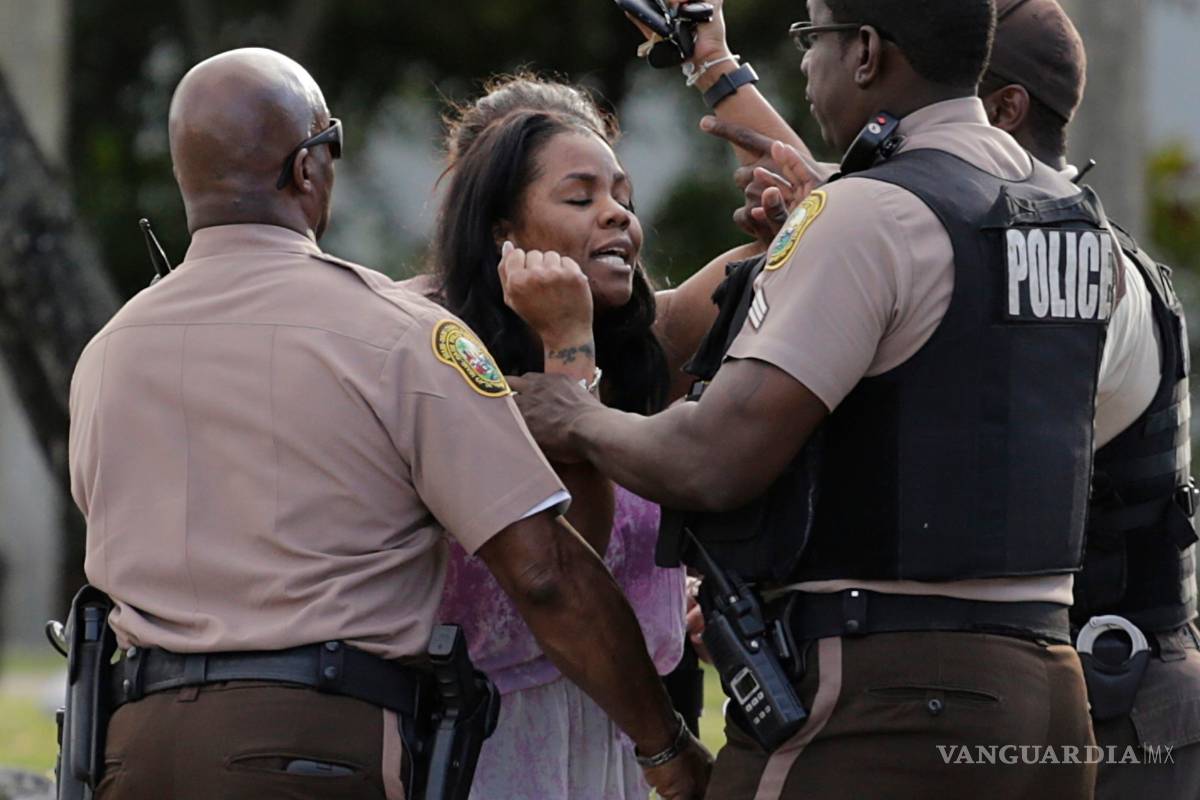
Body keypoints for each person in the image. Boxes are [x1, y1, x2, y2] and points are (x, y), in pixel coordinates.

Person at [509, 0, 1122, 796]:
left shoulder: (870, 215)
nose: (806, 65)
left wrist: (578, 416)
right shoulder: (1069, 217)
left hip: (887, 704)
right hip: (1047, 693)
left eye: (812, 39)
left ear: (865, 51)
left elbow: (713, 461)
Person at [66, 48, 710, 800]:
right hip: (315, 743)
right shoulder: (395, 333)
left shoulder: (108, 352)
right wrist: (666, 746)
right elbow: (543, 574)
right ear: (308, 168)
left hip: (131, 749)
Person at [421, 74, 758, 799]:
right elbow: (573, 559)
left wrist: (719, 69)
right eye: (580, 198)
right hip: (486, 740)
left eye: (623, 199)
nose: (615, 216)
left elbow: (825, 218)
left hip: (627, 740)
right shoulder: (428, 348)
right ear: (496, 220)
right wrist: (567, 343)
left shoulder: (646, 339)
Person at [979, 2, 1200, 796]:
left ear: (1005, 111)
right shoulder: (1051, 247)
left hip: (1122, 706)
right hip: (1097, 692)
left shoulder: (1069, 269)